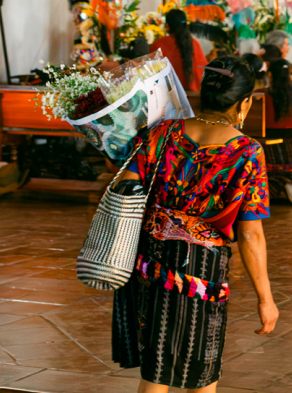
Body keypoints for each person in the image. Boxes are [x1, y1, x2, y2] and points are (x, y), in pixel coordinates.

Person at [111, 56, 277, 393]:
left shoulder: (163, 133)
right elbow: (250, 233)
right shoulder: (246, 152)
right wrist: (265, 298)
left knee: (155, 368)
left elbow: (125, 188)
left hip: (151, 264)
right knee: (200, 369)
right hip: (202, 272)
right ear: (244, 102)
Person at [263, 59, 292, 206]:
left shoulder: (264, 96)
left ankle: (285, 184)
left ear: (270, 75)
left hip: (271, 141)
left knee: (272, 172)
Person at [149, 9, 208, 92]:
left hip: (167, 100)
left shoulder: (158, 45)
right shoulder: (195, 43)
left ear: (167, 26)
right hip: (195, 99)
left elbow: (150, 76)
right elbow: (204, 74)